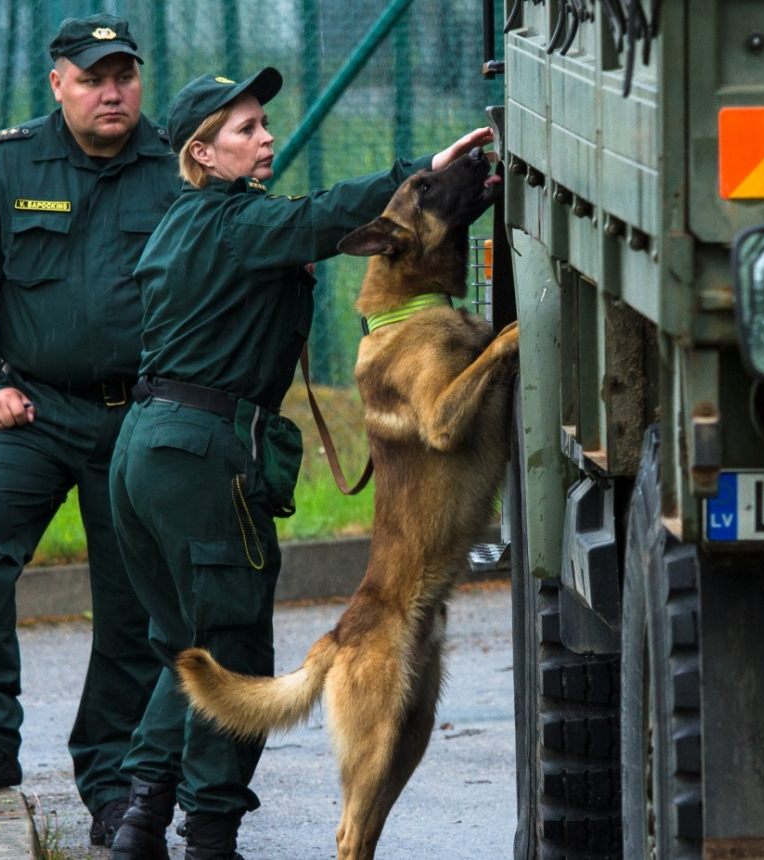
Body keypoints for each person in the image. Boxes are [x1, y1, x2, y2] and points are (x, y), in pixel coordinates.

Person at [101, 70, 492, 860]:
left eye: (263, 122)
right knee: (235, 648)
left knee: (186, 648)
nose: (265, 136)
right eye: (243, 129)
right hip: (202, 456)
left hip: (141, 453)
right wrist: (421, 172)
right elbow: (321, 219)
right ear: (202, 154)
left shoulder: (178, 225)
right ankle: (210, 838)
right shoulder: (236, 220)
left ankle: (139, 823)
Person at [0, 13, 176, 848]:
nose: (113, 91)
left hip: (138, 417)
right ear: (58, 82)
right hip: (30, 410)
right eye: (94, 76)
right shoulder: (5, 164)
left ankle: (112, 778)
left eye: (125, 75)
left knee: (135, 603)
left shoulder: (175, 167)